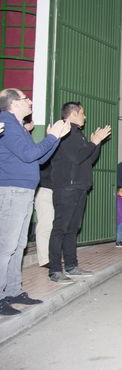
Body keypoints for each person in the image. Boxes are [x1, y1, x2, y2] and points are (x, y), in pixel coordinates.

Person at [0, 88, 69, 315]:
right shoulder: (6, 123)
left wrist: (55, 139)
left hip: (24, 192)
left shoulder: (18, 126)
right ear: (13, 103)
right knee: (5, 247)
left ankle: (12, 290)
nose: (30, 101)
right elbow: (30, 155)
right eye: (25, 98)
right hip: (11, 191)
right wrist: (51, 137)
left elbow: (39, 159)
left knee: (18, 246)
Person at [48, 102, 111, 283]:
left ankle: (71, 266)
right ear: (74, 114)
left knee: (73, 228)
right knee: (60, 228)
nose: (85, 116)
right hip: (66, 187)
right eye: (83, 113)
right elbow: (76, 157)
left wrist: (96, 144)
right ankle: (54, 270)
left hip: (79, 187)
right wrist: (93, 142)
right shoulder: (65, 132)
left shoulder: (78, 134)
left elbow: (87, 160)